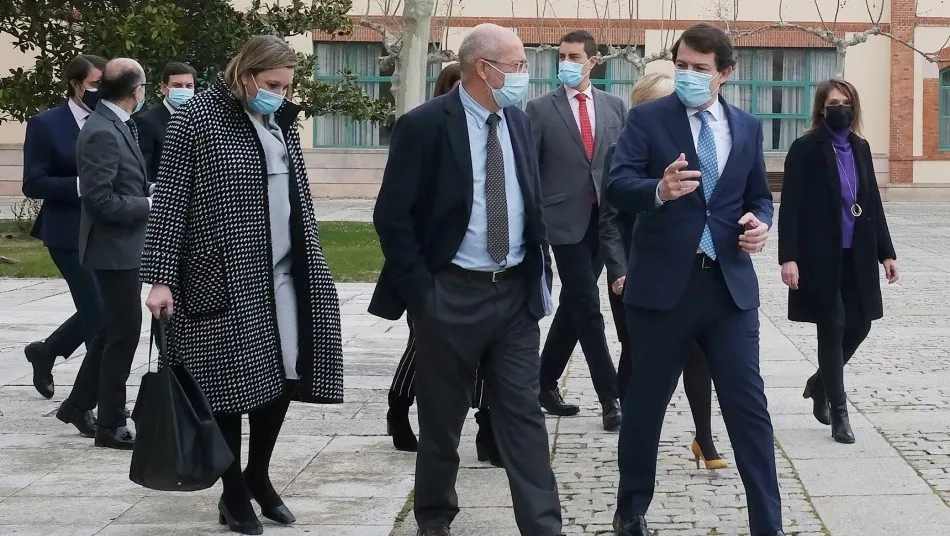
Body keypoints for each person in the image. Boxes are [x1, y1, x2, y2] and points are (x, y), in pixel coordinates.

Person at [141, 35, 344, 536]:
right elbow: (170, 201)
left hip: (285, 272)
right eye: (272, 84)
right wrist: (160, 278)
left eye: (286, 85)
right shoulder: (198, 118)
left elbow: (297, 196)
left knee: (284, 374)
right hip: (223, 275)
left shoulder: (280, 122)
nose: (279, 92)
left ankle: (259, 474)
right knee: (229, 386)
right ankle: (233, 493)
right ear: (247, 74)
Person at [370, 23, 564, 536]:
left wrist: (537, 270)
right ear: (486, 68)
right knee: (442, 417)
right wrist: (423, 293)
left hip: (514, 293)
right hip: (450, 293)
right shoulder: (425, 125)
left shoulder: (518, 123)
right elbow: (393, 217)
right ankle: (434, 518)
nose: (525, 75)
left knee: (523, 415)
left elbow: (528, 199)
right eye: (519, 65)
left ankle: (544, 526)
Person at [606, 24, 784, 536]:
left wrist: (760, 226)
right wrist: (658, 190)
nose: (687, 74)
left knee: (748, 409)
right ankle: (631, 509)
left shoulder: (746, 127)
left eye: (699, 69)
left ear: (724, 74)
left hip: (728, 290)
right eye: (681, 64)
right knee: (645, 405)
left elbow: (758, 197)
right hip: (662, 290)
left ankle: (766, 522)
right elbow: (618, 186)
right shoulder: (646, 119)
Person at [599, 72, 726, 470]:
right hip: (638, 275)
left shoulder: (699, 150)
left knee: (698, 354)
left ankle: (704, 438)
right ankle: (627, 425)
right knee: (642, 364)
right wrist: (620, 271)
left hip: (690, 271)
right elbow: (609, 220)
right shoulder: (622, 150)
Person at [386, 60, 502, 468]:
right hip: (433, 272)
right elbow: (395, 212)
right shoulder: (423, 130)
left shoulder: (501, 130)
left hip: (490, 273)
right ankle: (399, 404)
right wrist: (419, 283)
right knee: (423, 350)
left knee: (491, 355)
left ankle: (489, 428)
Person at [778, 79, 898, 444]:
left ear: (854, 107)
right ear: (821, 108)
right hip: (820, 257)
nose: (839, 108)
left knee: (860, 324)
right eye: (832, 102)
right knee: (831, 326)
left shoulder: (861, 148)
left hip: (857, 254)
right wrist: (789, 259)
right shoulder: (805, 148)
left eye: (845, 102)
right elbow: (792, 208)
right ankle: (839, 411)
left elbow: (872, 204)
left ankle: (818, 383)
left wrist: (887, 253)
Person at [525, 30, 625, 430]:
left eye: (574, 56)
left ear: (592, 61)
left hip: (605, 222)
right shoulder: (539, 109)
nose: (565, 62)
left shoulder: (616, 107)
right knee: (587, 305)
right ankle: (611, 395)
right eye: (561, 56)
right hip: (561, 222)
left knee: (574, 306)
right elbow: (529, 171)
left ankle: (543, 382)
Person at [63, 58, 151, 451]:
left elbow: (124, 180)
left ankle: (79, 404)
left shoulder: (115, 123)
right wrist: (150, 203)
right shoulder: (102, 130)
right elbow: (99, 201)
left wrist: (147, 190)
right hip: (111, 250)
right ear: (136, 90)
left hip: (123, 248)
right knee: (123, 334)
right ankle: (111, 422)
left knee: (109, 331)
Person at [21, 54, 106, 402]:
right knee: (100, 315)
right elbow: (33, 183)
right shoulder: (46, 124)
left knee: (103, 308)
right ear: (76, 83)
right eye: (96, 83)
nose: (102, 91)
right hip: (67, 232)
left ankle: (47, 350)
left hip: (108, 231)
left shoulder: (111, 120)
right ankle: (90, 400)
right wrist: (81, 186)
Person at [135, 61, 197, 182]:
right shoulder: (146, 122)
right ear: (163, 87)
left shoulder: (200, 120)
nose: (184, 90)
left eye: (189, 86)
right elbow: (144, 170)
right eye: (177, 86)